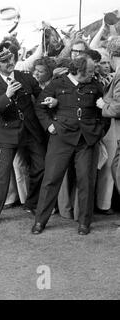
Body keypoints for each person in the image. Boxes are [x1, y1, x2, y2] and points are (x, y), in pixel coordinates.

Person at [33, 56, 105, 235]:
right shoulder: (58, 83)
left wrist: (99, 132)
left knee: (85, 181)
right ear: (78, 71)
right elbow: (39, 107)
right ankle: (40, 221)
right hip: (61, 138)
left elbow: (103, 111)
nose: (92, 74)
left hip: (86, 140)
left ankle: (84, 222)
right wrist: (49, 126)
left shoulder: (95, 86)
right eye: (89, 72)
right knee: (51, 179)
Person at [0, 45, 46, 227]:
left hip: (30, 130)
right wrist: (7, 95)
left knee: (41, 166)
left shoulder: (25, 77)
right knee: (3, 172)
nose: (10, 63)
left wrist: (52, 100)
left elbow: (42, 96)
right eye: (4, 61)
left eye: (10, 59)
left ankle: (31, 202)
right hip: (8, 133)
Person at [97, 36, 120, 214]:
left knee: (114, 165)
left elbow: (117, 107)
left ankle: (106, 204)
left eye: (107, 61)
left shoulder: (116, 75)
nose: (105, 65)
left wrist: (103, 105)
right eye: (101, 62)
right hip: (104, 128)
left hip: (113, 125)